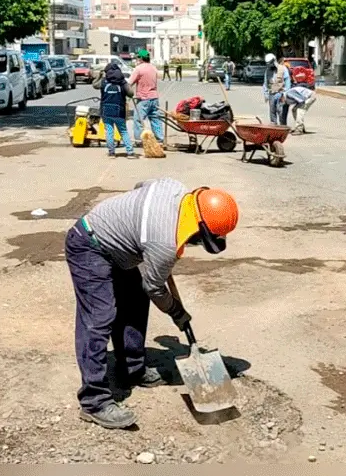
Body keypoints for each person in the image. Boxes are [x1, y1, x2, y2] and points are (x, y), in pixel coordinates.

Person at [65, 178, 239, 429]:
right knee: (99, 318)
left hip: (120, 248)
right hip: (89, 245)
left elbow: (140, 186)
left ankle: (132, 370)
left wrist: (138, 229)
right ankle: (94, 401)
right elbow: (155, 288)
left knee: (135, 303)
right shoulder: (164, 245)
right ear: (199, 230)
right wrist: (177, 312)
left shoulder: (173, 187)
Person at [95, 62, 135, 159]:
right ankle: (130, 152)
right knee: (123, 131)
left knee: (109, 131)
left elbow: (94, 85)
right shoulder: (122, 82)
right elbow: (131, 93)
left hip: (106, 110)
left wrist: (99, 76)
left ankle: (111, 152)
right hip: (119, 110)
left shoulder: (104, 81)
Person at [128, 49, 164, 142]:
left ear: (140, 58)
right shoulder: (153, 68)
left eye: (137, 58)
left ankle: (139, 140)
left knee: (138, 119)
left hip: (143, 99)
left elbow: (129, 83)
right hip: (154, 98)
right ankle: (160, 139)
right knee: (155, 119)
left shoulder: (138, 69)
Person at [262, 53, 290, 125]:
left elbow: (287, 81)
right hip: (271, 94)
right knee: (272, 112)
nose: (269, 65)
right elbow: (265, 83)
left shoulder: (283, 69)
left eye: (270, 63)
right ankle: (274, 126)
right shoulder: (267, 71)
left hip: (280, 94)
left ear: (274, 60)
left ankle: (282, 126)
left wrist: (286, 93)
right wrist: (266, 94)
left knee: (281, 112)